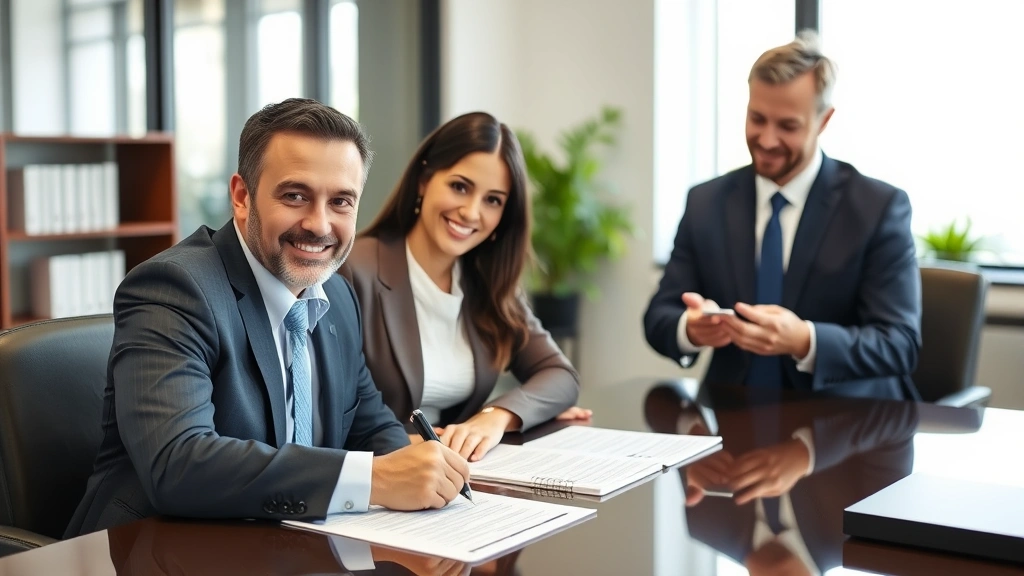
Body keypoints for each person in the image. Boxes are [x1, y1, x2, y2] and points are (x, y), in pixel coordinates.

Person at [66, 98, 470, 537]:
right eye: (295, 196)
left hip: (282, 548)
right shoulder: (174, 289)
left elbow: (370, 425)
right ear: (242, 197)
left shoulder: (335, 292)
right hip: (157, 550)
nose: (319, 224)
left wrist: (429, 478)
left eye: (341, 201)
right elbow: (178, 464)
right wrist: (377, 479)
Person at [643, 31, 922, 401]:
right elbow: (659, 316)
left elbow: (899, 343)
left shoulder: (877, 207)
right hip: (731, 423)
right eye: (757, 118)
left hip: (846, 428)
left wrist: (805, 340)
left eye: (788, 126)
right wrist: (691, 329)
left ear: (824, 120)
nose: (768, 139)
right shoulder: (706, 202)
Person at [340, 111, 588, 463]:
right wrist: (420, 446)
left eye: (493, 200)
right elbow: (327, 416)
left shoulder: (488, 283)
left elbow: (561, 376)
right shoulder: (353, 270)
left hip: (458, 477)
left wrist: (497, 417)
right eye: (460, 187)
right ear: (425, 179)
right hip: (382, 478)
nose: (472, 212)